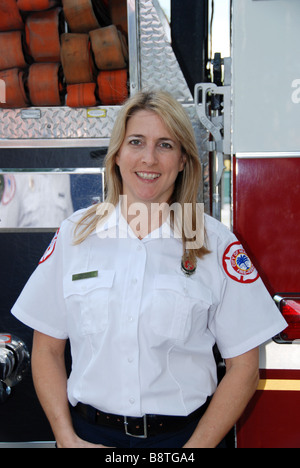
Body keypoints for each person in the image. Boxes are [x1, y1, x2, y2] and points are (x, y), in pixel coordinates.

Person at [11, 90, 287, 448]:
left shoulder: (214, 243)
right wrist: (66, 438)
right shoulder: (75, 235)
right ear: (117, 154)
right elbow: (46, 350)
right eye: (136, 142)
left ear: (185, 159)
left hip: (184, 440)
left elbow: (244, 369)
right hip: (89, 438)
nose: (149, 158)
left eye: (166, 145)